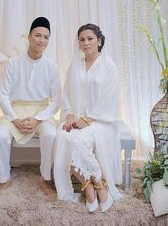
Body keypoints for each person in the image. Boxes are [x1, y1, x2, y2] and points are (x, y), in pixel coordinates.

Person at [54, 23, 123, 213]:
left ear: (99, 41)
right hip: (77, 119)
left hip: (102, 121)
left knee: (79, 140)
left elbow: (110, 98)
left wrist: (89, 118)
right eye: (82, 39)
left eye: (90, 39)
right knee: (63, 137)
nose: (86, 43)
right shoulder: (74, 66)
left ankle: (100, 184)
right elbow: (66, 94)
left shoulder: (109, 66)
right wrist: (68, 115)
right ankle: (90, 187)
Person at [0, 17, 61, 194]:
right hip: (15, 110)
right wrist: (14, 119)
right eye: (38, 35)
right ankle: (4, 179)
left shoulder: (51, 66)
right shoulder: (13, 63)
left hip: (41, 111)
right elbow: (3, 95)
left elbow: (56, 100)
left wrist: (38, 120)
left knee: (50, 135)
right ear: (29, 37)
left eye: (46, 37)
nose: (42, 40)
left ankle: (45, 178)